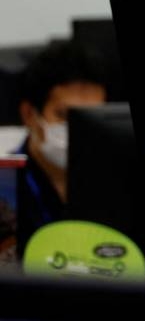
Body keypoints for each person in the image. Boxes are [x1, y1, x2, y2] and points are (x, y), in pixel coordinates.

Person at [15, 40, 107, 256]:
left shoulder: (120, 179)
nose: (78, 130)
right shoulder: (7, 184)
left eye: (90, 118)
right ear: (29, 114)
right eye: (64, 116)